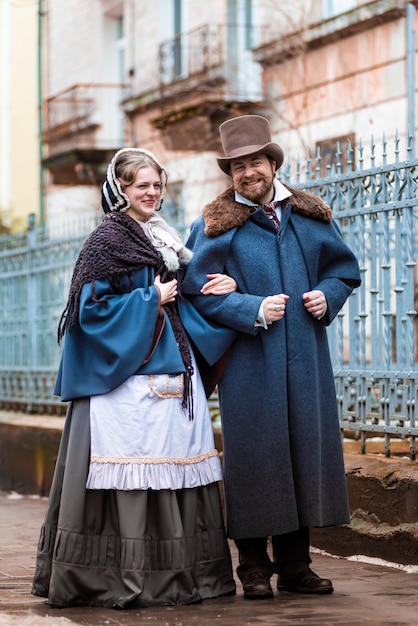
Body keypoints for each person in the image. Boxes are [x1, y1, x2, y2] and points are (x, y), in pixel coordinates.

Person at [31, 148, 237, 609]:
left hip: (171, 379)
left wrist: (216, 285)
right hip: (123, 385)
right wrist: (150, 297)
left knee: (177, 471)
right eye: (141, 185)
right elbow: (88, 313)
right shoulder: (105, 241)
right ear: (119, 190)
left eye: (157, 184)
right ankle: (119, 578)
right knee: (129, 474)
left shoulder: (164, 239)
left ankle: (183, 576)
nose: (151, 192)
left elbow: (183, 294)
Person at [181, 115, 361, 600]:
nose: (247, 173)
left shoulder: (309, 214)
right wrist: (249, 307)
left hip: (305, 356)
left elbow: (344, 271)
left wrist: (328, 296)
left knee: (303, 453)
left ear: (273, 163)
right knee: (256, 459)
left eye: (255, 162)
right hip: (248, 363)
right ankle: (254, 568)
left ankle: (296, 566)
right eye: (237, 166)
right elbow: (195, 291)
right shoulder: (214, 226)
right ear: (230, 173)